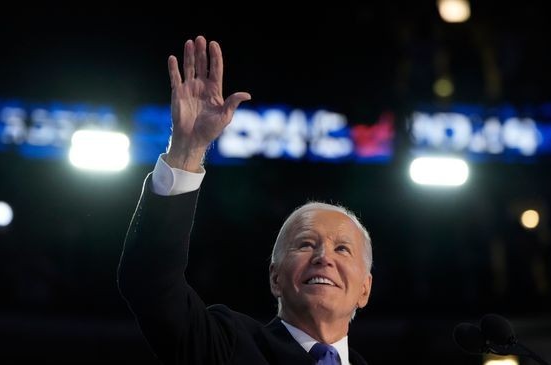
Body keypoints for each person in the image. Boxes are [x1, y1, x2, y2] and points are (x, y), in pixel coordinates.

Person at [117, 35, 373, 365]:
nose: (324, 257)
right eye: (306, 244)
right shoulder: (227, 347)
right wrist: (187, 150)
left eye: (342, 248)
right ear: (275, 278)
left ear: (365, 288)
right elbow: (150, 282)